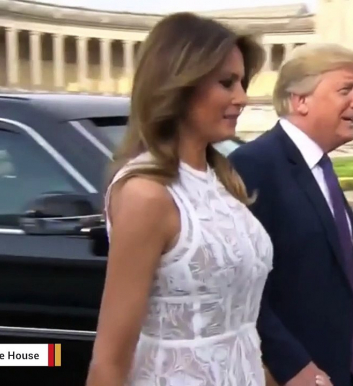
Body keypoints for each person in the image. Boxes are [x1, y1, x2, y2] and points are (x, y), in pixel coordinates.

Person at [85, 13, 272, 386]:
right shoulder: (146, 196)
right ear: (179, 85)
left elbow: (238, 333)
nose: (242, 97)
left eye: (242, 82)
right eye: (226, 83)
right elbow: (109, 360)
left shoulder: (224, 179)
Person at [229, 43, 353, 386]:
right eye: (345, 90)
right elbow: (241, 286)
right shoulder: (254, 166)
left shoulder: (321, 167)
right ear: (299, 100)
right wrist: (291, 366)